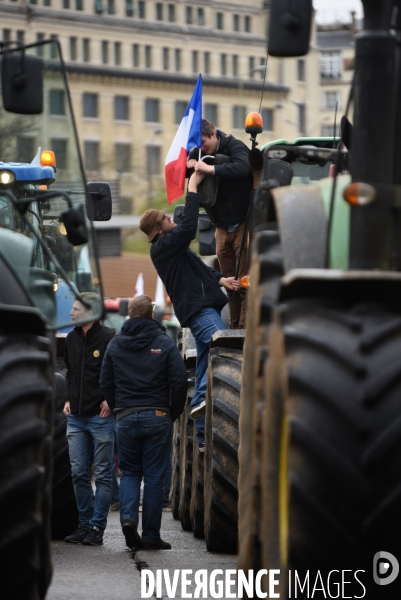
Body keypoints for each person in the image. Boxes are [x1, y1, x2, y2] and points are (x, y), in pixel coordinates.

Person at [138, 172, 240, 448]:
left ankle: (202, 429)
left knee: (209, 360)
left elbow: (198, 265)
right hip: (200, 312)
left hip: (203, 307)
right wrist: (192, 187)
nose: (170, 218)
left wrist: (220, 279)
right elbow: (188, 228)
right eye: (165, 219)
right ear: (158, 230)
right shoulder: (162, 247)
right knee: (222, 348)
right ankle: (204, 406)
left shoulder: (173, 250)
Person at [100, 294, 187, 550]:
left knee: (129, 473)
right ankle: (150, 535)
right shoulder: (163, 342)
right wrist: (173, 412)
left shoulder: (115, 344)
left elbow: (105, 381)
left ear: (130, 315)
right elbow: (179, 380)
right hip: (157, 416)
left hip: (125, 417)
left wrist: (119, 408)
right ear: (152, 315)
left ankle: (128, 518)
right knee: (153, 477)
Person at [187, 119, 253, 329]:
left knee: (244, 282)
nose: (202, 148)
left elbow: (244, 167)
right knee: (230, 283)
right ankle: (233, 327)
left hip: (242, 224)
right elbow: (186, 170)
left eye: (205, 142)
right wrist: (188, 166)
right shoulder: (197, 152)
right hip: (221, 227)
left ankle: (243, 330)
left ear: (214, 134)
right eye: (199, 144)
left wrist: (211, 168)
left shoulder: (234, 145)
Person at [63, 292, 115, 546]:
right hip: (76, 419)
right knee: (78, 473)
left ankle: (97, 527)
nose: (71, 313)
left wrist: (110, 400)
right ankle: (84, 524)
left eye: (75, 309)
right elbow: (70, 372)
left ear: (90, 313)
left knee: (104, 475)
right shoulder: (71, 339)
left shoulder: (109, 338)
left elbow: (119, 372)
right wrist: (67, 398)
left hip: (100, 418)